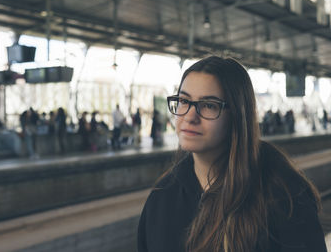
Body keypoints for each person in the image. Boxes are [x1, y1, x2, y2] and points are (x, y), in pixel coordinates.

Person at [137, 56, 326, 252]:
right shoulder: (162, 197)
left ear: (237, 115)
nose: (190, 117)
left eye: (209, 105)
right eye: (184, 101)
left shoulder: (283, 194)